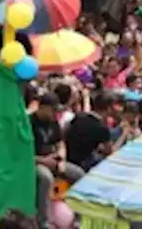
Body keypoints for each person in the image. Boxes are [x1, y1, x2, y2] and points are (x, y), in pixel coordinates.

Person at [33, 94, 85, 227]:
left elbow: (60, 142)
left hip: (53, 159)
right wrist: (43, 161)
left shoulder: (53, 122)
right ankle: (44, 221)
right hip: (36, 162)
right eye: (53, 109)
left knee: (79, 174)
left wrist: (61, 158)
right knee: (46, 178)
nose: (55, 113)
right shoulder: (30, 123)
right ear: (43, 107)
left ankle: (78, 216)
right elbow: (23, 154)